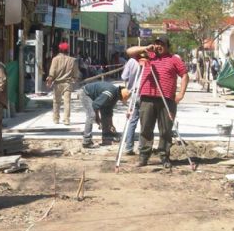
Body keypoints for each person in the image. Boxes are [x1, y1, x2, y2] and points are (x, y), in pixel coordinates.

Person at [126, 37, 189, 168]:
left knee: (166, 130)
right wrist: (145, 48)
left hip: (167, 99)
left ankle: (164, 156)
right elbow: (129, 52)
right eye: (156, 44)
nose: (158, 46)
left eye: (161, 44)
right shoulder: (148, 56)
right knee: (145, 128)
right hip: (147, 97)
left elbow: (184, 75)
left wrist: (181, 93)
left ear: (167, 46)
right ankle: (144, 156)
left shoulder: (174, 60)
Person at [79, 81, 130, 147]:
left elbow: (109, 111)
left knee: (106, 111)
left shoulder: (115, 95)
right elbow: (95, 105)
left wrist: (111, 125)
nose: (120, 101)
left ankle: (107, 133)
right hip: (86, 94)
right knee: (91, 115)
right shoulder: (109, 94)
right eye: (121, 99)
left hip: (97, 96)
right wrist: (97, 118)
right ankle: (86, 141)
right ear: (120, 96)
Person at [46, 42, 80, 125]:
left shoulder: (55, 59)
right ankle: (67, 119)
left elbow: (52, 73)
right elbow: (76, 74)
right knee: (67, 102)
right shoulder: (72, 60)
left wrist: (49, 82)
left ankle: (56, 119)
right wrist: (74, 79)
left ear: (59, 49)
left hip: (57, 84)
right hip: (67, 84)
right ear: (68, 50)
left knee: (56, 102)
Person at [121, 52, 145, 155]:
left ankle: (129, 147)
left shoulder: (131, 61)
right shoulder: (148, 61)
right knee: (145, 123)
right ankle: (142, 147)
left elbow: (124, 77)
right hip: (144, 94)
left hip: (134, 93)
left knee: (132, 121)